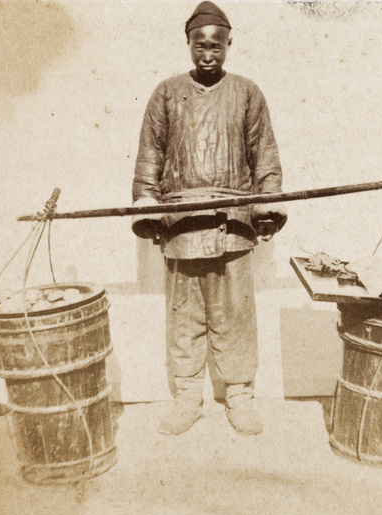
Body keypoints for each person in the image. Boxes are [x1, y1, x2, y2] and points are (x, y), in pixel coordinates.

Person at [131, 1, 286, 436]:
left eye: (216, 45)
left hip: (233, 223)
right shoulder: (166, 93)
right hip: (181, 227)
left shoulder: (247, 92)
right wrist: (147, 206)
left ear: (229, 43)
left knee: (235, 314)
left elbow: (265, 156)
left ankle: (238, 396)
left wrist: (267, 206)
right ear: (188, 44)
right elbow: (150, 156)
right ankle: (187, 398)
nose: (208, 54)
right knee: (185, 317)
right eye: (199, 45)